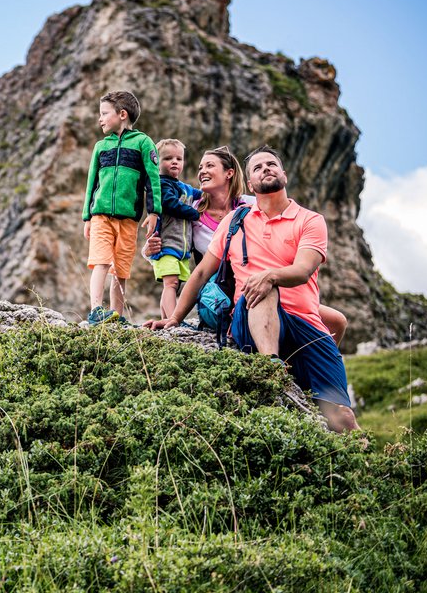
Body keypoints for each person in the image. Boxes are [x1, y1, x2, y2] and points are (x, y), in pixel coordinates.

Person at [145, 145, 359, 433]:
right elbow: (200, 273)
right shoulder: (236, 220)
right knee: (261, 285)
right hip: (250, 317)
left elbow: (303, 270)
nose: (265, 169)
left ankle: (372, 468)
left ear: (283, 173)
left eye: (271, 164)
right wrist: (175, 319)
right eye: (257, 168)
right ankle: (270, 368)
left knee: (343, 419)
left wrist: (270, 275)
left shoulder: (310, 220)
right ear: (249, 183)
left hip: (305, 321)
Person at [144, 146, 348, 345]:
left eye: (209, 166)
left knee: (338, 321)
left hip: (263, 281)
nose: (202, 172)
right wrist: (149, 250)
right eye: (200, 168)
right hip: (221, 292)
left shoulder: (250, 205)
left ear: (229, 173)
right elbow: (174, 242)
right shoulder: (191, 211)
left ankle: (314, 357)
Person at [82, 91, 161, 324]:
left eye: (104, 113)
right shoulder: (100, 147)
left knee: (121, 269)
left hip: (129, 219)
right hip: (100, 216)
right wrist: (87, 216)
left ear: (122, 114)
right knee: (101, 261)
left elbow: (152, 180)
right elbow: (91, 184)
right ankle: (96, 310)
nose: (100, 119)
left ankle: (116, 315)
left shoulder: (143, 143)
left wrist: (154, 211)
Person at [149, 139, 202, 318]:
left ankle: (166, 319)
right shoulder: (161, 185)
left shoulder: (184, 187)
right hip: (166, 245)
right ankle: (173, 320)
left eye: (179, 159)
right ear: (157, 162)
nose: (174, 162)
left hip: (182, 248)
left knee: (174, 285)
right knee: (170, 284)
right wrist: (195, 214)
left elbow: (202, 195)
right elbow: (170, 204)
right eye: (168, 158)